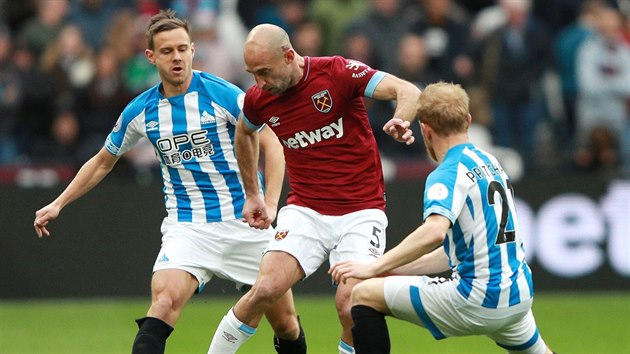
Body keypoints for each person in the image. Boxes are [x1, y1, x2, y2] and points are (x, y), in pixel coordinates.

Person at [33, 10, 306, 354]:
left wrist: (269, 202)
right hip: (187, 227)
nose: (176, 57)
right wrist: (58, 203)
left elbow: (271, 142)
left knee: (287, 325)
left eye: (181, 48)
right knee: (162, 304)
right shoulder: (141, 112)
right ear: (151, 56)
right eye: (166, 51)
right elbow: (103, 162)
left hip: (246, 224)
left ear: (193, 50)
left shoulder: (222, 94)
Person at [208, 23, 421, 354]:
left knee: (351, 304)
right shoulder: (259, 99)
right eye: (252, 73)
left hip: (361, 212)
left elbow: (407, 90)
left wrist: (402, 119)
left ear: (289, 56)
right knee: (265, 288)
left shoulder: (336, 73)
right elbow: (244, 132)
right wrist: (253, 193)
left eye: (264, 71)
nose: (258, 82)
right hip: (305, 209)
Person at [329, 82, 555, 354]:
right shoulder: (491, 162)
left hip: (477, 298)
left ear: (425, 129)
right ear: (468, 120)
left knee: (362, 297)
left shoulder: (447, 173)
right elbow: (456, 251)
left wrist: (372, 269)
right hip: (517, 295)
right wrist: (391, 268)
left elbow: (434, 232)